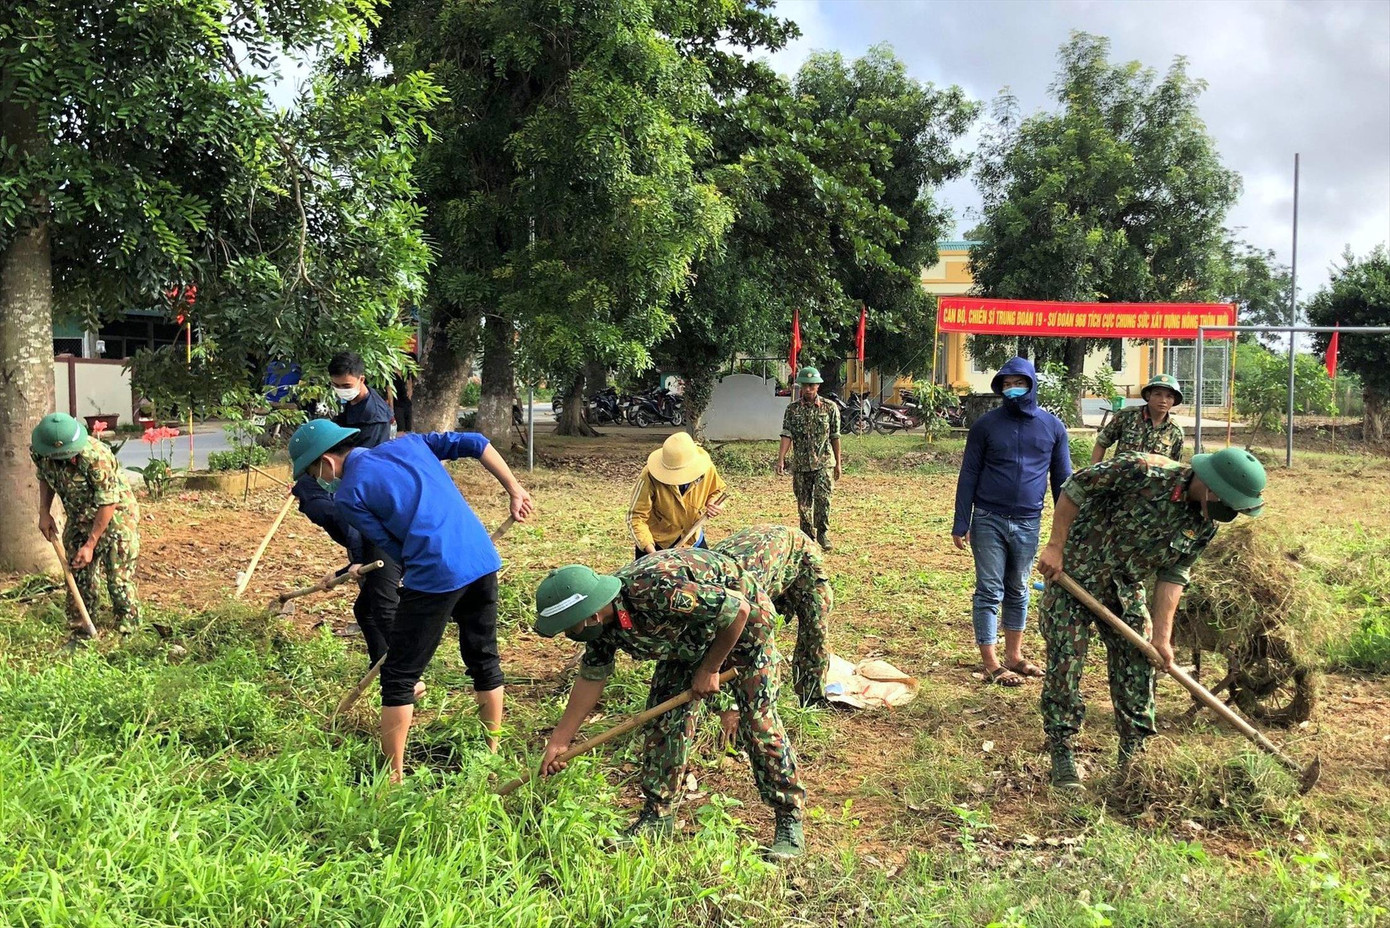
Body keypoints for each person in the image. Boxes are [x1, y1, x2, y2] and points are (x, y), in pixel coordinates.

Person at [288, 420, 533, 781]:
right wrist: (514, 489)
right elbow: (476, 442)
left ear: (326, 462)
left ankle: (393, 778)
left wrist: (393, 570)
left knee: (399, 676)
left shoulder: (348, 494)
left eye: (313, 471)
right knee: (484, 658)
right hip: (481, 560)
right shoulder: (410, 444)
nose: (319, 479)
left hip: (436, 573)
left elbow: (392, 549)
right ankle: (491, 755)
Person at [533, 550, 806, 860]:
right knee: (665, 722)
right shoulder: (600, 627)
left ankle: (789, 817)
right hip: (691, 639)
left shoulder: (656, 589)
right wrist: (560, 740)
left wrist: (710, 669)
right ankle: (658, 817)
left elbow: (738, 610)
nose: (570, 635)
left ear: (591, 614)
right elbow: (591, 678)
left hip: (746, 629)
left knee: (757, 721)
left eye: (570, 628)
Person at [1036, 447, 1267, 790]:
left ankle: (1133, 757)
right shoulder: (1142, 472)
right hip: (1076, 575)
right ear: (1210, 486)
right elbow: (1076, 487)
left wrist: (1162, 637)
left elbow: (1174, 574)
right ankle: (1062, 749)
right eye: (1229, 501)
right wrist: (1056, 546)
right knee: (1066, 661)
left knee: (1139, 665)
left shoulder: (1203, 526)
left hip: (1125, 587)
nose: (1228, 512)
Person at [952, 357, 1072, 687]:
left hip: (1029, 522)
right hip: (988, 518)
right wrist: (961, 521)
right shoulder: (985, 426)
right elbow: (970, 474)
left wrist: (1069, 530)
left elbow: (1063, 481)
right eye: (1005, 384)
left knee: (1018, 589)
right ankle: (991, 662)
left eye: (1018, 382)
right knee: (990, 589)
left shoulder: (1052, 427)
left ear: (1032, 384)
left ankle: (1014, 656)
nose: (1012, 389)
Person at [30, 413, 142, 637]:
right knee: (77, 571)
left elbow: (108, 501)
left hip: (115, 517)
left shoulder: (96, 456)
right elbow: (46, 477)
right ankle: (82, 625)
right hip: (79, 515)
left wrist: (91, 544)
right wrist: (44, 512)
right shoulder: (40, 451)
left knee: (118, 578)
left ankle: (128, 629)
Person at [628, 432, 726, 560]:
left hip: (692, 539)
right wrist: (653, 556)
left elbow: (717, 490)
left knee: (703, 576)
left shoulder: (705, 468)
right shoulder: (649, 476)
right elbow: (636, 517)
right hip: (657, 544)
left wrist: (713, 503)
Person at [776, 367, 842, 550]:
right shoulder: (792, 410)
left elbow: (835, 436)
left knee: (823, 498)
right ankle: (807, 537)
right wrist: (781, 458)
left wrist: (838, 463)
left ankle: (822, 532)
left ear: (818, 386)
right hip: (801, 464)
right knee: (803, 503)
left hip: (824, 462)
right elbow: (786, 434)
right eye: (805, 385)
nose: (808, 389)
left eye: (811, 386)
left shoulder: (830, 408)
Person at [1092, 373, 1185, 463]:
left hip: (1154, 479)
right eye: (1158, 394)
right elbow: (1102, 442)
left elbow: (1174, 465)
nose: (1163, 400)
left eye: (1169, 396)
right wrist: (1094, 473)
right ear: (1148, 396)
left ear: (1174, 401)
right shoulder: (1127, 416)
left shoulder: (1175, 431)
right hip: (1122, 477)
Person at [329, 350, 394, 447]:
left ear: (362, 379)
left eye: (346, 386)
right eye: (336, 385)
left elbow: (364, 455)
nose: (341, 390)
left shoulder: (373, 416)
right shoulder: (353, 399)